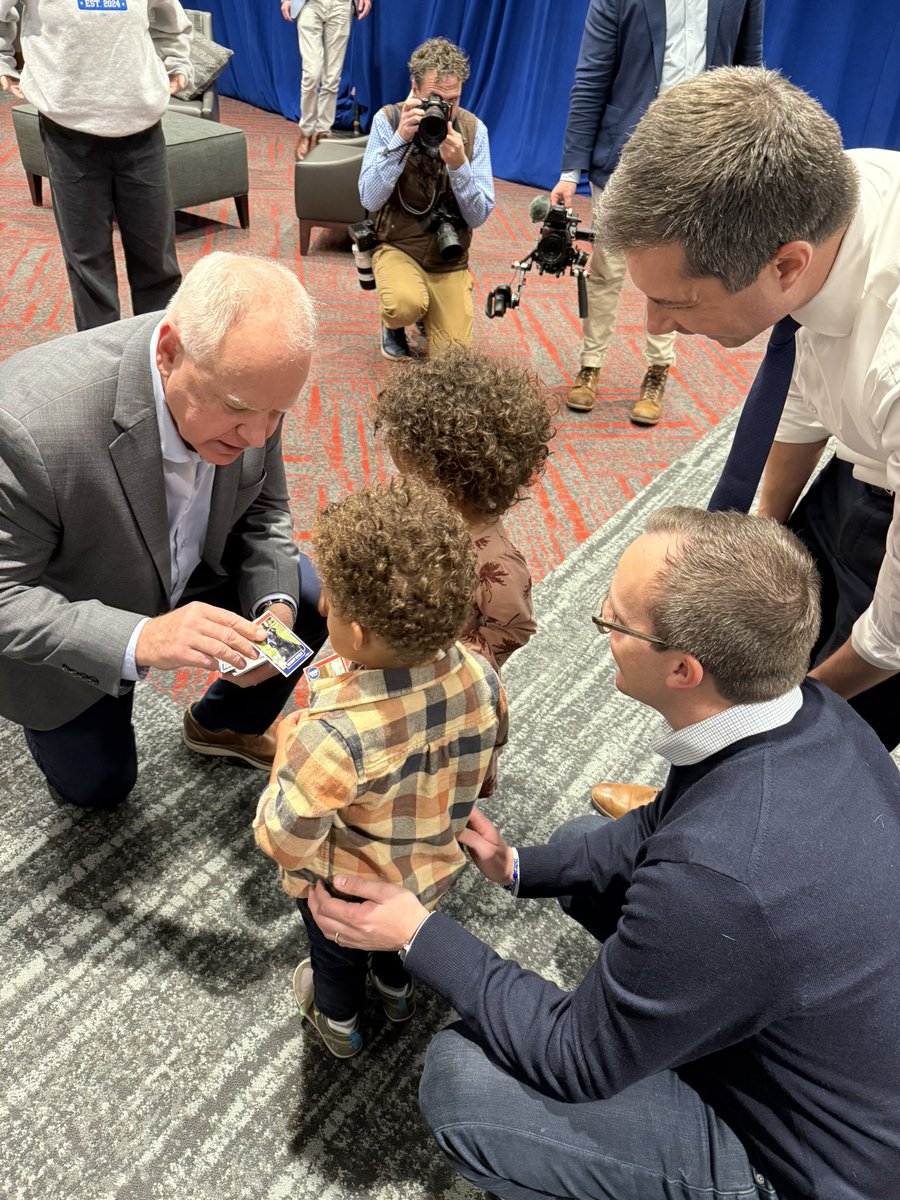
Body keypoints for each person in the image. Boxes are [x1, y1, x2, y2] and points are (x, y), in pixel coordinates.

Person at [309, 506, 900, 1200]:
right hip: (813, 1012)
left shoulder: (718, 879)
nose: (602, 629)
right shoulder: (811, 711)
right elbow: (663, 820)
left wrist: (419, 933)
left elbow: (577, 1057)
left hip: (814, 1162)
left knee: (463, 1082)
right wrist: (517, 867)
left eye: (615, 622)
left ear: (683, 669)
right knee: (573, 848)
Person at [587, 65, 900, 819]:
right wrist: (766, 524)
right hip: (863, 465)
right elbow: (805, 379)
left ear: (786, 264)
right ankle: (702, 797)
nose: (655, 327)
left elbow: (890, 641)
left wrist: (784, 725)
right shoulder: (835, 192)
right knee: (764, 636)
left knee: (835, 744)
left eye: (676, 302)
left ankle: (725, 831)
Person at [0, 251, 328, 811]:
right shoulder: (28, 428)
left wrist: (273, 610)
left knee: (307, 596)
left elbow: (265, 511)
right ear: (170, 353)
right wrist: (141, 638)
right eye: (238, 409)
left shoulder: (254, 388)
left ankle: (223, 724)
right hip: (82, 601)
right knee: (100, 789)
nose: (258, 436)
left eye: (277, 414)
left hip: (194, 563)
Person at [254, 475, 506, 1058]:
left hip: (345, 890)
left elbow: (284, 842)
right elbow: (487, 763)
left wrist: (284, 755)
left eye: (330, 601)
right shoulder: (481, 674)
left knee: (335, 959)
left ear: (356, 632)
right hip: (428, 874)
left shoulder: (329, 738)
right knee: (398, 946)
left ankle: (338, 1024)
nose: (321, 605)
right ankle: (397, 993)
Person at [554, 0, 763, 422]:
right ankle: (590, 364)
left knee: (675, 270)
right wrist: (570, 171)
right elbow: (591, 77)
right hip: (624, 152)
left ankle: (658, 369)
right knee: (607, 269)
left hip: (698, 156)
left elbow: (750, 75)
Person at [0, 0, 193, 331]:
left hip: (142, 128)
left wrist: (178, 65)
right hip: (68, 131)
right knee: (89, 265)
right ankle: (99, 356)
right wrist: (4, 65)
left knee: (157, 261)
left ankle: (161, 353)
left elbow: (171, 21)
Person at [372, 345, 555, 673]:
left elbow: (514, 628)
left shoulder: (495, 564)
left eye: (412, 477)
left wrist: (446, 660)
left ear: (454, 482)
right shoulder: (419, 505)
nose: (405, 488)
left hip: (444, 678)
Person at [358, 37, 494, 360]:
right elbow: (369, 199)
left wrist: (459, 166)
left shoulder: (474, 131)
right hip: (398, 245)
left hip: (448, 256)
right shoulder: (388, 120)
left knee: (454, 360)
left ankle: (430, 310)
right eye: (435, 99)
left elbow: (478, 217)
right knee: (404, 304)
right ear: (414, 88)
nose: (445, 109)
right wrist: (400, 141)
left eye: (453, 100)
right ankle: (394, 322)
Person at [280, 0, 372, 162]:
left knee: (332, 78)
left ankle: (322, 132)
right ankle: (306, 132)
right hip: (310, 4)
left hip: (341, 5)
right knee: (312, 74)